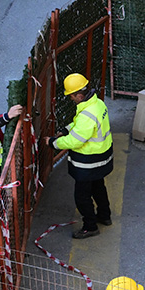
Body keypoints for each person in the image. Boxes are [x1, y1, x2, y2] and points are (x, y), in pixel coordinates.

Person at [48, 73, 113, 240]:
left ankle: (90, 226)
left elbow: (75, 141)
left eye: (71, 95)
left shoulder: (86, 114)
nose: (70, 99)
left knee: (82, 196)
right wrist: (66, 129)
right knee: (98, 187)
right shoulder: (96, 103)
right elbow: (80, 125)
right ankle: (104, 216)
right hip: (102, 157)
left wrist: (53, 142)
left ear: (79, 94)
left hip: (88, 161)